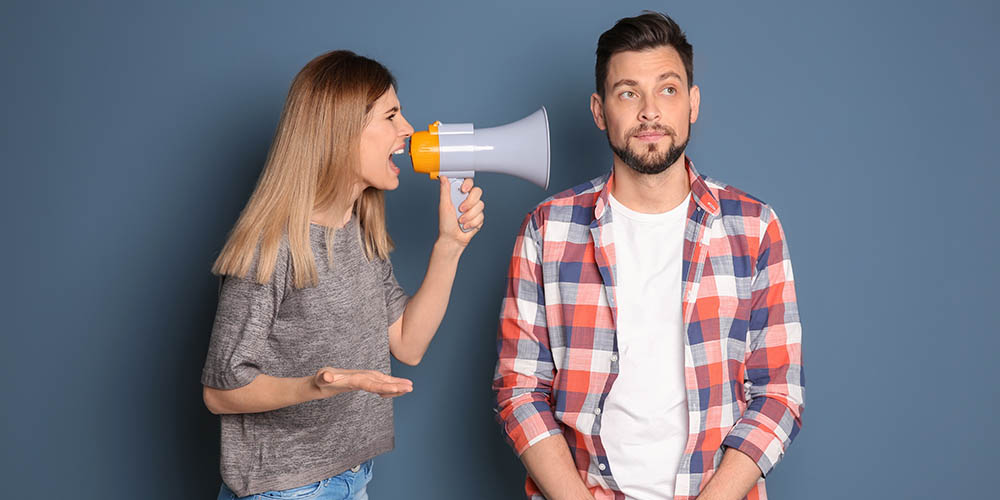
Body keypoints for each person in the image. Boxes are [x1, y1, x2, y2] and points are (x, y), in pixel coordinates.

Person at [493, 12, 803, 500]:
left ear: (692, 103)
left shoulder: (754, 228)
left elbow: (778, 394)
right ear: (599, 111)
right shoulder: (547, 229)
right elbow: (519, 389)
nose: (650, 112)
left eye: (668, 89)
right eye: (628, 92)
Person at [201, 50, 485, 500]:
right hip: (287, 492)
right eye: (391, 115)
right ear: (341, 131)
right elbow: (219, 391)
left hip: (352, 480)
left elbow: (408, 344)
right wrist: (314, 386)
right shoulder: (272, 247)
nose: (408, 130)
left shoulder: (357, 229)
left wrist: (449, 247)